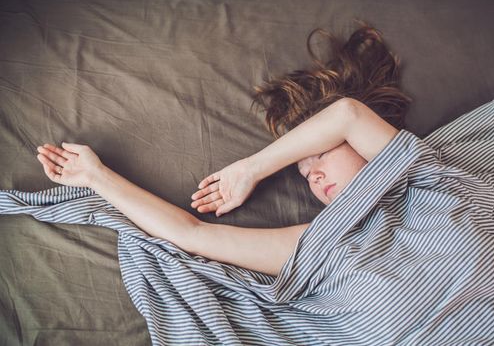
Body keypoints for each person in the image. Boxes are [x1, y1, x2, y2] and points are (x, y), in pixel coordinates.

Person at [34, 21, 411, 278]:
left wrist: (251, 169)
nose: (312, 175)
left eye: (322, 155)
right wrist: (95, 177)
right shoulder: (322, 241)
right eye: (304, 172)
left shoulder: (418, 175)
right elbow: (193, 236)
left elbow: (347, 114)